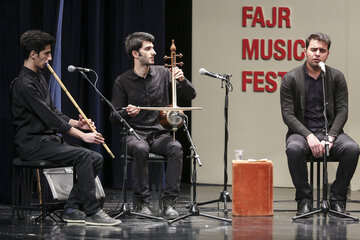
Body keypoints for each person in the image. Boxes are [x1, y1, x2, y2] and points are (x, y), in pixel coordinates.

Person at [11, 30, 121, 226]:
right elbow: (51, 119)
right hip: (32, 144)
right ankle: (93, 211)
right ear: (33, 54)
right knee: (85, 155)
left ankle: (71, 208)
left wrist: (78, 123)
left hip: (47, 141)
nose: (50, 58)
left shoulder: (39, 77)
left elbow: (54, 112)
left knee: (95, 158)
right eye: (46, 53)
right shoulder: (24, 84)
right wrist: (82, 136)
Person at [110, 32, 196, 219]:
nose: (154, 52)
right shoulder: (122, 81)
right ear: (135, 53)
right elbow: (114, 117)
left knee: (176, 147)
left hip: (158, 135)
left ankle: (169, 203)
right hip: (133, 135)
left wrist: (182, 80)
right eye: (148, 49)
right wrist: (126, 112)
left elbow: (190, 95)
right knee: (140, 148)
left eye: (153, 48)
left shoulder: (164, 73)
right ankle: (142, 203)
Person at [280, 32, 359, 216]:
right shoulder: (290, 78)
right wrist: (309, 136)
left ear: (327, 54)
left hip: (330, 133)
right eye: (313, 49)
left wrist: (331, 136)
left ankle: (337, 199)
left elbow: (342, 111)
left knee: (352, 149)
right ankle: (304, 200)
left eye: (322, 50)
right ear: (305, 51)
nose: (317, 53)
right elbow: (288, 115)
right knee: (293, 149)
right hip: (301, 134)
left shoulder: (336, 77)